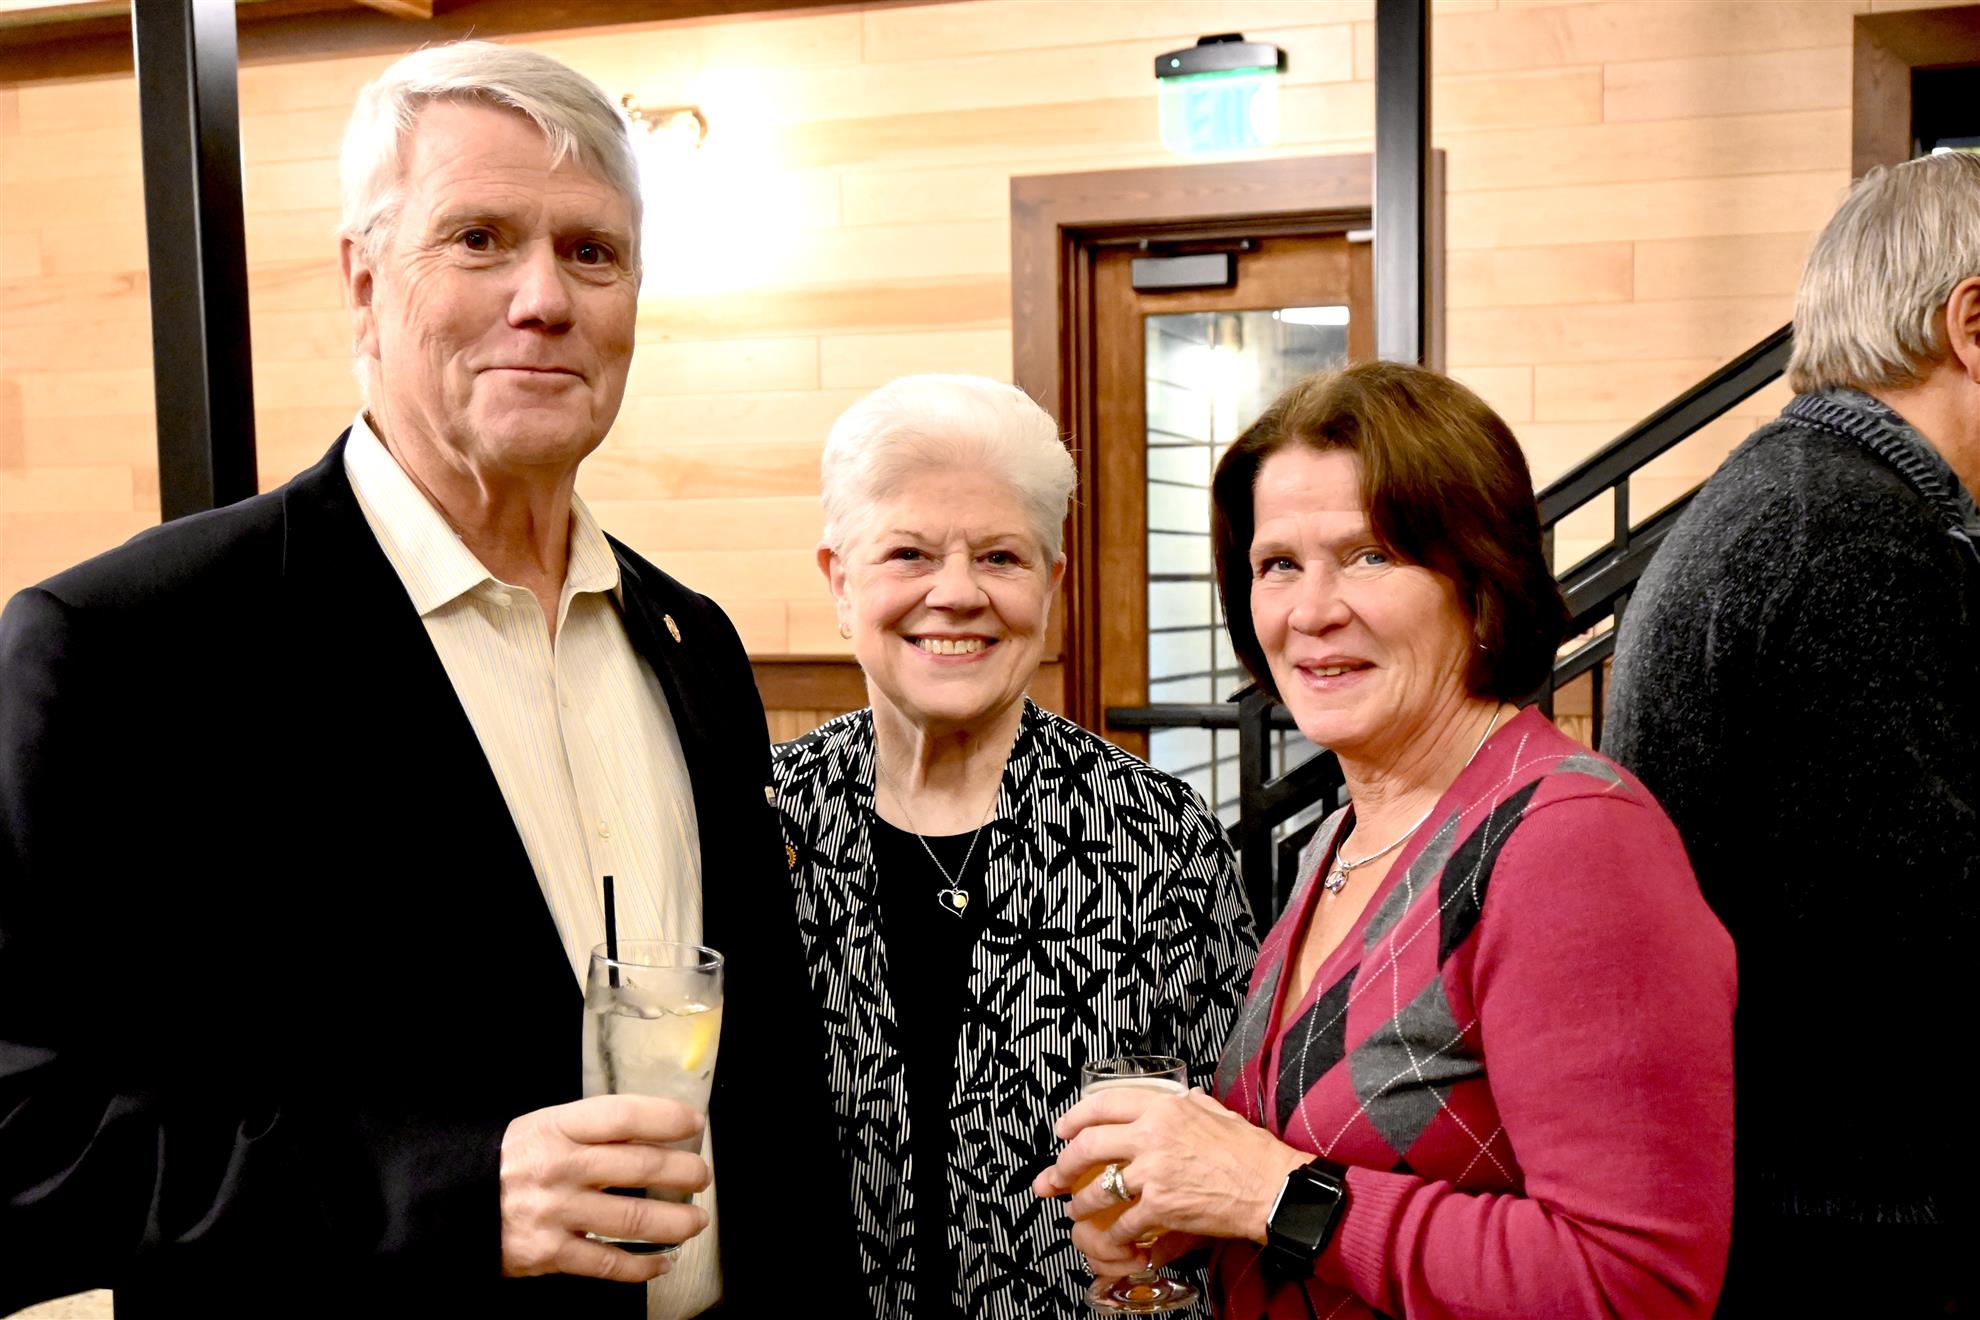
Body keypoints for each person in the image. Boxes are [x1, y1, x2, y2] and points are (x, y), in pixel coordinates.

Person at [0, 41, 853, 1318]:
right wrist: (448, 1195)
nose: (544, 299)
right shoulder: (134, 649)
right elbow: (24, 1147)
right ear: (363, 281)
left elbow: (773, 1093)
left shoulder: (691, 644)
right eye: (478, 239)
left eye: (592, 252)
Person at [1033, 361, 1737, 1318]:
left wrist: (1268, 1195)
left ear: (1479, 579)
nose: (1312, 611)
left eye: (1368, 556)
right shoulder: (1342, 836)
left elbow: (1635, 1287)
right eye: (1278, 565)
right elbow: (1318, 1172)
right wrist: (1192, 1207)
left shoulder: (1572, 843)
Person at [772, 373, 1257, 1317]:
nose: (957, 593)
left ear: (1052, 585)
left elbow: (1231, 1153)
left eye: (1000, 556)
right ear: (840, 581)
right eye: (909, 554)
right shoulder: (763, 822)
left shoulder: (1158, 838)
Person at [1605, 153, 1979, 1316]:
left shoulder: (1797, 494)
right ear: (1973, 324)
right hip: (1853, 1218)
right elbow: (1924, 927)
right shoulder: (1853, 536)